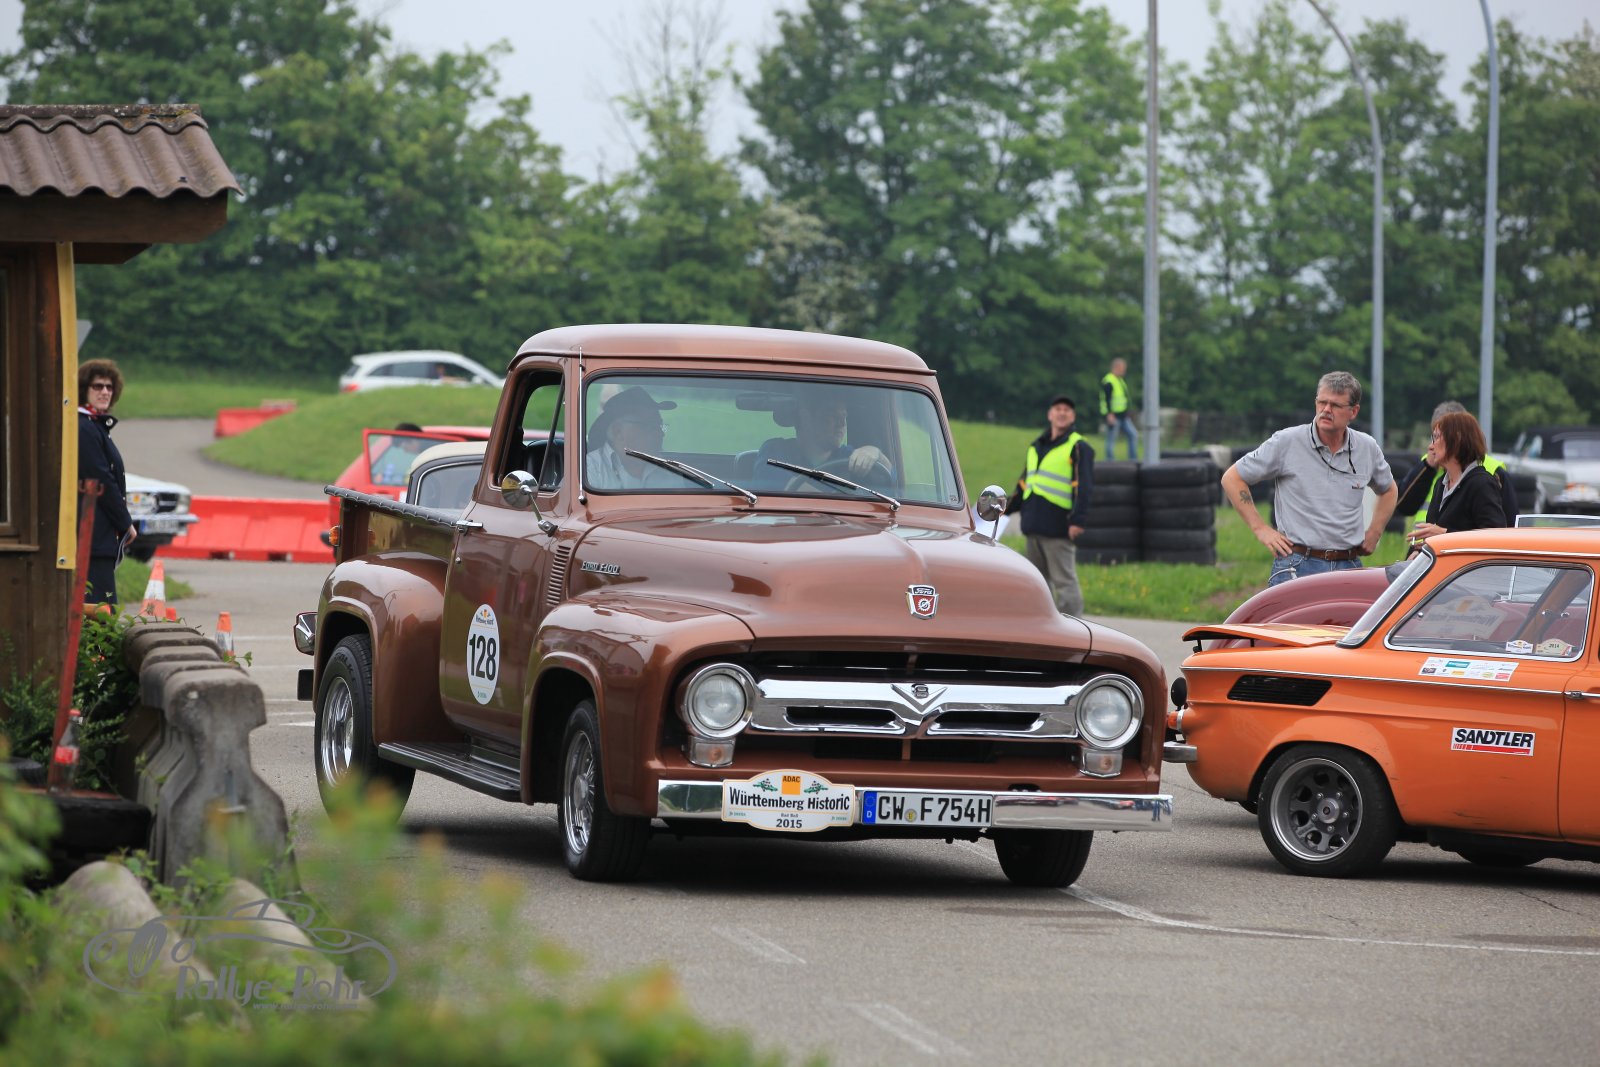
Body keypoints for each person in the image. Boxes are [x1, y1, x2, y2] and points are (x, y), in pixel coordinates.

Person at [1221, 371, 1396, 587]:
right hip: (1297, 563)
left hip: (1349, 564)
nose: (1326, 410)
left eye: (1335, 405)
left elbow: (1389, 489)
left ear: (1353, 411)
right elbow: (1232, 478)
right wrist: (1261, 529)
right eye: (1322, 402)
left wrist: (1375, 532)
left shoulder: (1366, 447)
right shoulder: (1287, 441)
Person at [1007, 394, 1093, 615]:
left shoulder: (1078, 446)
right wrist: (1003, 509)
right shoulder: (1035, 447)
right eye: (1058, 409)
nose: (1062, 413)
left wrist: (1077, 520)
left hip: (1058, 528)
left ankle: (1073, 627)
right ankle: (1041, 626)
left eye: (1067, 410)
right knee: (1037, 584)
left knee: (1065, 584)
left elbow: (1083, 486)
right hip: (1033, 526)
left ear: (1073, 416)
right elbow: (1024, 485)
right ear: (1050, 415)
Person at [1395, 401, 1516, 532]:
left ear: (1456, 439)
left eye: (1436, 437)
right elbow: (1404, 506)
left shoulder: (1482, 483)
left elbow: (1494, 535)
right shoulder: (1441, 483)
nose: (1430, 446)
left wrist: (1444, 534)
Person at [77, 359, 136, 607]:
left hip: (99, 534)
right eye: (97, 386)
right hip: (90, 534)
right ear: (84, 389)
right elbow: (102, 480)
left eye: (109, 387)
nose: (104, 392)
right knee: (101, 610)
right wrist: (125, 523)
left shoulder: (95, 426)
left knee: (103, 607)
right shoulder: (84, 427)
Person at [754, 389, 889, 487]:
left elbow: (893, 485)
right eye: (832, 415)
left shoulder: (849, 456)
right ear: (806, 417)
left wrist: (875, 453)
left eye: (844, 416)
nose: (841, 424)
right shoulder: (775, 451)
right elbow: (790, 491)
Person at [586, 386, 682, 490]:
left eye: (659, 426)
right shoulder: (589, 469)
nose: (660, 434)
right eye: (649, 426)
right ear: (618, 432)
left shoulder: (670, 471)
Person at [1100, 357, 1138, 460]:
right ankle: (1110, 461)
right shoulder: (1109, 381)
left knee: (1133, 435)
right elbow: (1107, 399)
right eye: (1122, 368)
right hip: (1114, 416)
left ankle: (1133, 459)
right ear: (1116, 367)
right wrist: (1109, 414)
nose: (1124, 371)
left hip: (1123, 415)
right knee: (1111, 439)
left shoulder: (1119, 380)